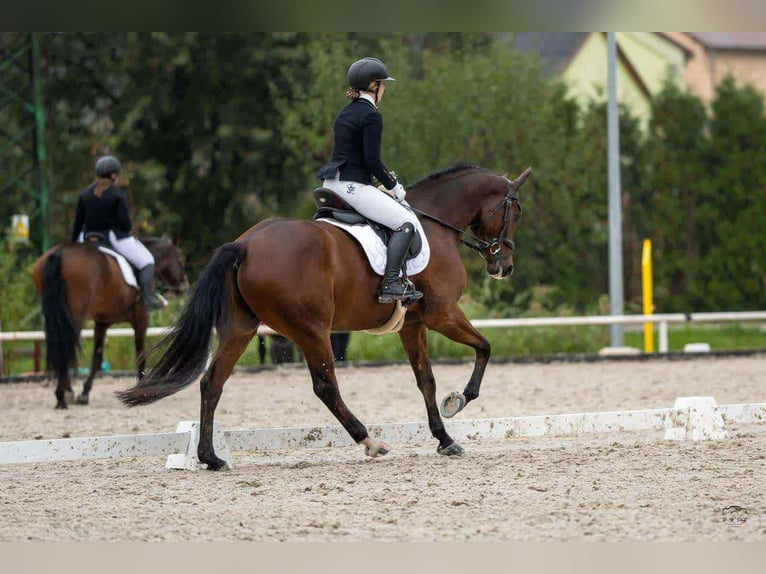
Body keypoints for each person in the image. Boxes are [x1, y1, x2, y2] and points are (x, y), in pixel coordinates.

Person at [317, 57, 423, 304]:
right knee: (405, 222)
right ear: (374, 86)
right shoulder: (371, 115)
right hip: (353, 187)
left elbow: (354, 158)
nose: (384, 89)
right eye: (383, 84)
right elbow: (373, 161)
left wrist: (375, 184)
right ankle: (391, 283)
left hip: (331, 184)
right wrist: (394, 187)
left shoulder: (345, 112)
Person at [71, 155, 166, 310]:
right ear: (114, 175)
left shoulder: (84, 194)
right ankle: (148, 299)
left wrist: (73, 243)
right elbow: (124, 223)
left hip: (86, 237)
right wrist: (128, 229)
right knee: (147, 260)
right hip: (113, 237)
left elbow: (78, 223)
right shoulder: (117, 194)